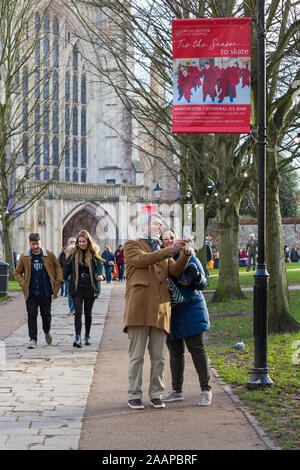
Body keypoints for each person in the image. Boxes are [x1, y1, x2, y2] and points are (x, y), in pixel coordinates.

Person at [123, 213, 191, 410]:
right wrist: (169, 249)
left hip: (161, 308)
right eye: (156, 224)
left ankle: (156, 393)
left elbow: (175, 270)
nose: (160, 227)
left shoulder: (162, 250)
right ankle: (134, 394)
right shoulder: (132, 244)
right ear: (145, 225)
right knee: (137, 356)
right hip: (139, 308)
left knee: (159, 356)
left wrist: (185, 253)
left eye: (161, 225)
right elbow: (142, 260)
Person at [161, 231, 212, 407]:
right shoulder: (160, 259)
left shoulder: (188, 256)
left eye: (171, 237)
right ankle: (177, 391)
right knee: (175, 353)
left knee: (197, 349)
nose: (168, 240)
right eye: (165, 238)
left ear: (177, 240)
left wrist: (194, 277)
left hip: (191, 309)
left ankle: (206, 390)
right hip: (171, 312)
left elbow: (204, 282)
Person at [15, 232, 63, 349]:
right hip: (31, 292)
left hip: (45, 291)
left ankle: (46, 331)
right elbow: (17, 272)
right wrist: (23, 283)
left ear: (40, 242)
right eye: (33, 244)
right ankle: (33, 339)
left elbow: (57, 267)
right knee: (32, 315)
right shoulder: (24, 256)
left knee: (46, 315)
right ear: (29, 243)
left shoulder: (49, 255)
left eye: (37, 244)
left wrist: (59, 279)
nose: (35, 247)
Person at [63, 230, 104, 348]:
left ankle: (87, 335)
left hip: (90, 287)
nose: (81, 243)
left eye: (83, 241)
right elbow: (66, 270)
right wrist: (59, 280)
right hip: (77, 287)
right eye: (79, 241)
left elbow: (100, 266)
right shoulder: (72, 254)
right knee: (78, 312)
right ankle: (77, 337)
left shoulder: (93, 254)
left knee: (88, 313)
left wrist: (100, 275)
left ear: (88, 242)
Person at [62, 237, 76, 314]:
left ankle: (75, 309)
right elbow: (60, 263)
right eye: (71, 241)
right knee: (69, 294)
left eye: (74, 241)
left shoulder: (79, 252)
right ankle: (71, 309)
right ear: (68, 243)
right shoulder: (63, 253)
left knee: (76, 293)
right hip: (68, 277)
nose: (73, 243)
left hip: (76, 277)